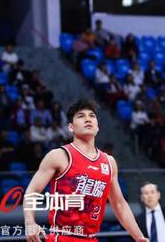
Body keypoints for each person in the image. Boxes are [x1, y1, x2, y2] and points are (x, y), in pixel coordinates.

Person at [24, 99, 148, 242]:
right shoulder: (59, 156)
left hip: (91, 238)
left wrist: (139, 237)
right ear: (71, 127)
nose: (88, 119)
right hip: (62, 236)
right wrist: (30, 222)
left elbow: (119, 204)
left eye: (92, 116)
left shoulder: (109, 162)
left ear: (97, 127)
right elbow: (32, 190)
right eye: (81, 116)